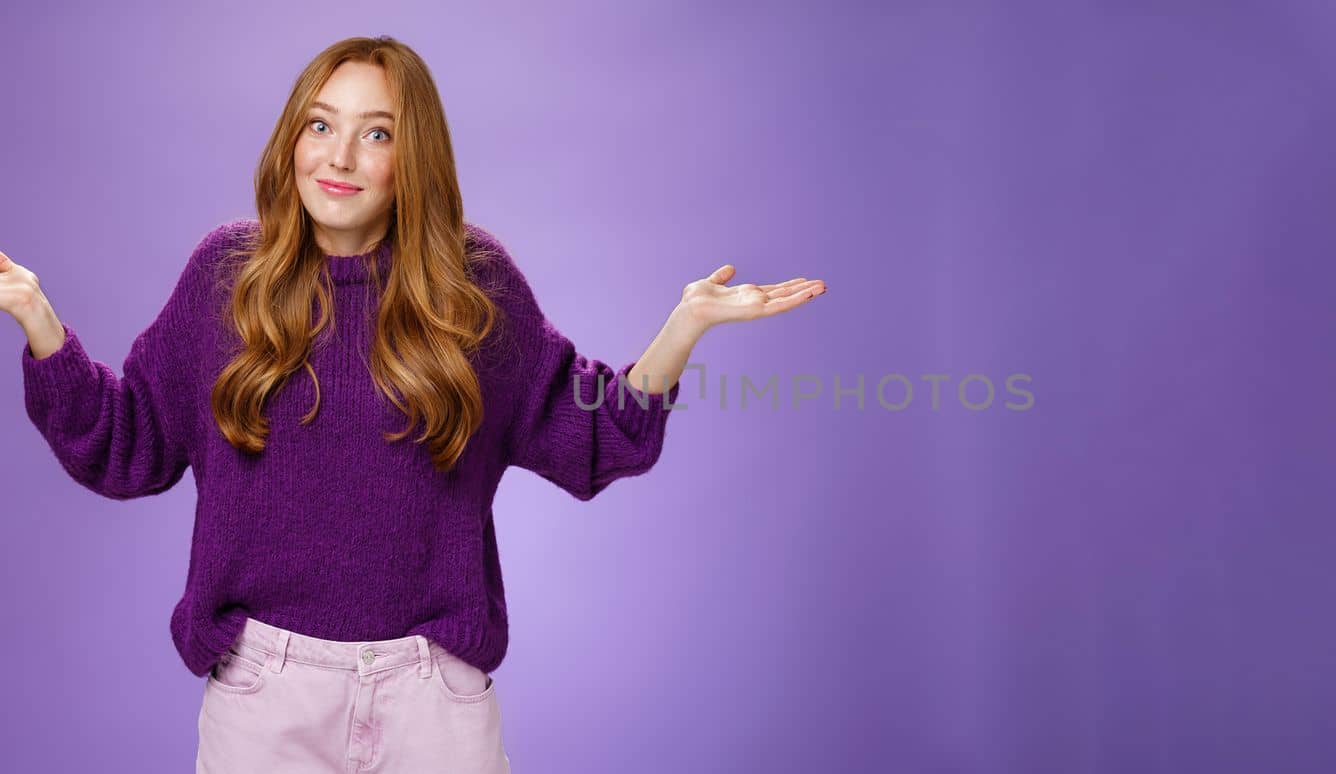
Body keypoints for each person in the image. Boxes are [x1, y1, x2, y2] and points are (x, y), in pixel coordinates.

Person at [0, 35, 825, 773]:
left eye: (377, 133)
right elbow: (124, 446)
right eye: (320, 125)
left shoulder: (471, 288)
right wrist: (40, 318)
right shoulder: (227, 278)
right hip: (264, 699)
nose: (341, 156)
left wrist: (685, 325)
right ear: (291, 137)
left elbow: (596, 438)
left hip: (434, 702)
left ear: (411, 158)